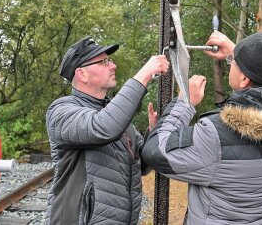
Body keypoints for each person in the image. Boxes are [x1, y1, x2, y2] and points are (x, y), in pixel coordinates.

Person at [142, 31, 262, 224]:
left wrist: (184, 103)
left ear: (244, 79)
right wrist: (238, 55)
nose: (230, 64)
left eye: (233, 63)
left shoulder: (216, 136)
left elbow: (155, 151)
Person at [45, 36, 169, 224]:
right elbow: (103, 127)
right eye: (104, 62)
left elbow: (142, 165)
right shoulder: (61, 111)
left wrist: (152, 130)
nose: (112, 66)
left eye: (109, 60)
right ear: (82, 74)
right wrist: (144, 75)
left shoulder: (114, 115)